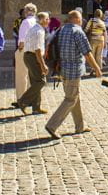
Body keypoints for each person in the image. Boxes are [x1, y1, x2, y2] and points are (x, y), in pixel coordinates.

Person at [44, 10, 104, 139]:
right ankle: (52, 125)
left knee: (74, 97)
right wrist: (97, 68)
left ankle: (79, 126)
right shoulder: (78, 32)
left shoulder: (61, 30)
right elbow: (87, 53)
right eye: (81, 19)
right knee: (70, 99)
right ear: (77, 19)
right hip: (73, 70)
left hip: (62, 68)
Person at [13, 11, 49, 115]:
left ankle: (36, 107)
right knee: (41, 81)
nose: (48, 21)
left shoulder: (35, 28)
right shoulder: (39, 31)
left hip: (28, 56)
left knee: (35, 81)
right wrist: (43, 65)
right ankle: (23, 101)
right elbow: (37, 49)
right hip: (33, 57)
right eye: (47, 19)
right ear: (42, 20)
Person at [84, 9, 108, 73]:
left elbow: (86, 29)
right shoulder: (102, 22)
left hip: (93, 39)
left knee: (93, 55)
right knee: (99, 55)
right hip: (101, 40)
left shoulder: (91, 20)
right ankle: (99, 69)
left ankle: (93, 69)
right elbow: (105, 33)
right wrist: (105, 42)